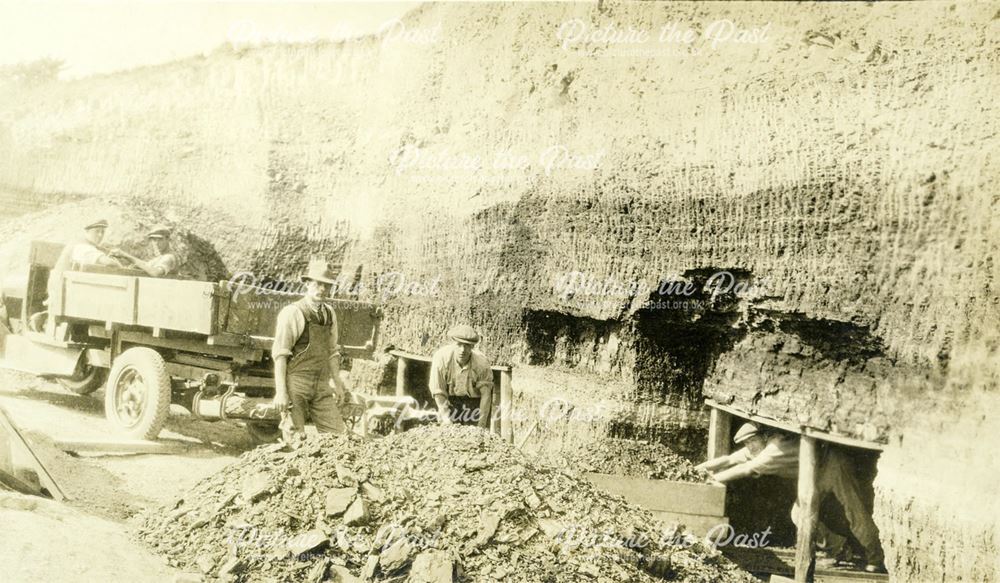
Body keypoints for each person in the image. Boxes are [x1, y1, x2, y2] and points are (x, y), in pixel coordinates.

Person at [697, 423, 885, 573]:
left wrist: (711, 480)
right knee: (799, 515)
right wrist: (696, 470)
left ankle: (877, 559)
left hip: (833, 464)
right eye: (746, 443)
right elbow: (729, 460)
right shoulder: (758, 447)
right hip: (815, 471)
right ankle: (838, 549)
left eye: (752, 441)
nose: (749, 446)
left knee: (854, 510)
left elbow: (746, 468)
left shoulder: (774, 449)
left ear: (763, 436)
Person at [270, 259, 348, 435]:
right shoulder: (292, 313)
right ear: (307, 284)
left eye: (327, 286)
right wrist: (281, 392)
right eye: (318, 284)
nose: (322, 289)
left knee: (338, 438)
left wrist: (337, 383)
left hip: (321, 384)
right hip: (296, 384)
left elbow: (332, 351)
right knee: (296, 439)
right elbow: (281, 355)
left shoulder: (329, 313)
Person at [429, 324, 494, 428]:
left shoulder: (482, 363)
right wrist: (446, 420)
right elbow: (438, 392)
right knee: (447, 437)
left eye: (467, 345)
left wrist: (481, 426)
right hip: (449, 403)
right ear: (452, 343)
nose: (462, 350)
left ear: (473, 346)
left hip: (474, 405)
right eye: (459, 344)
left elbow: (486, 395)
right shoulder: (441, 359)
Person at [112, 225, 179, 277]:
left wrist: (125, 255)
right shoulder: (161, 257)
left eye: (160, 239)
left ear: (168, 240)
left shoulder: (169, 257)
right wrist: (124, 256)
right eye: (154, 240)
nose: (157, 243)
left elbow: (155, 273)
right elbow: (146, 265)